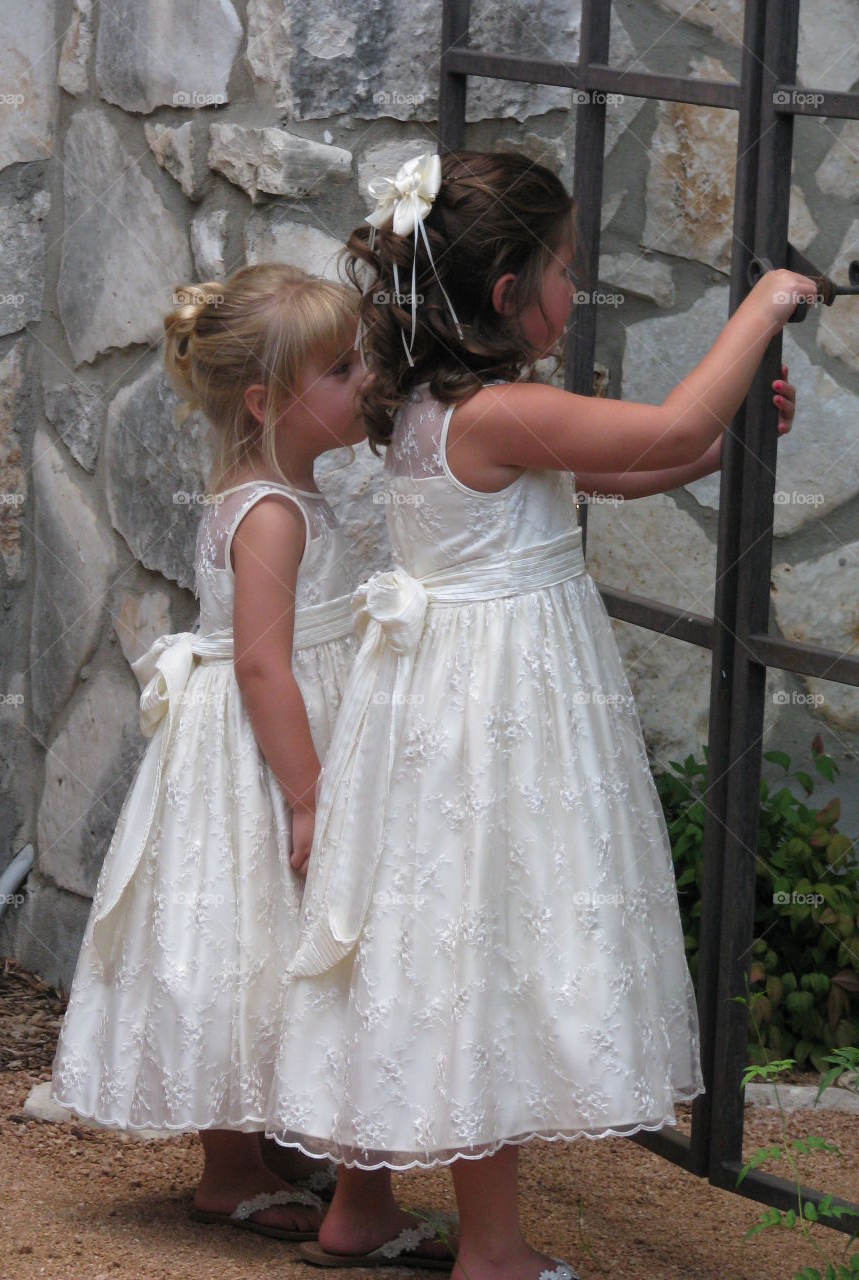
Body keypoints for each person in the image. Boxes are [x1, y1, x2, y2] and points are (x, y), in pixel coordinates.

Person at [265, 152, 808, 1279]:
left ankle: (359, 1206)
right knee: (487, 950)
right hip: (492, 722)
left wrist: (736, 430)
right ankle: (495, 1249)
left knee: (421, 946)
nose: (577, 287)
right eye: (566, 268)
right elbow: (655, 431)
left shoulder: (433, 406)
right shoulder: (504, 407)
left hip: (433, 715)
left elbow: (635, 463)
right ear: (511, 291)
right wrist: (759, 310)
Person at [51, 263, 370, 1242]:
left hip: (266, 738)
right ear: (268, 401)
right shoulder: (270, 509)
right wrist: (310, 796)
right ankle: (228, 1166)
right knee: (240, 936)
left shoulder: (276, 486)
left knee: (267, 939)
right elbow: (265, 669)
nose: (367, 379)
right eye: (342, 368)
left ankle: (262, 1140)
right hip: (260, 756)